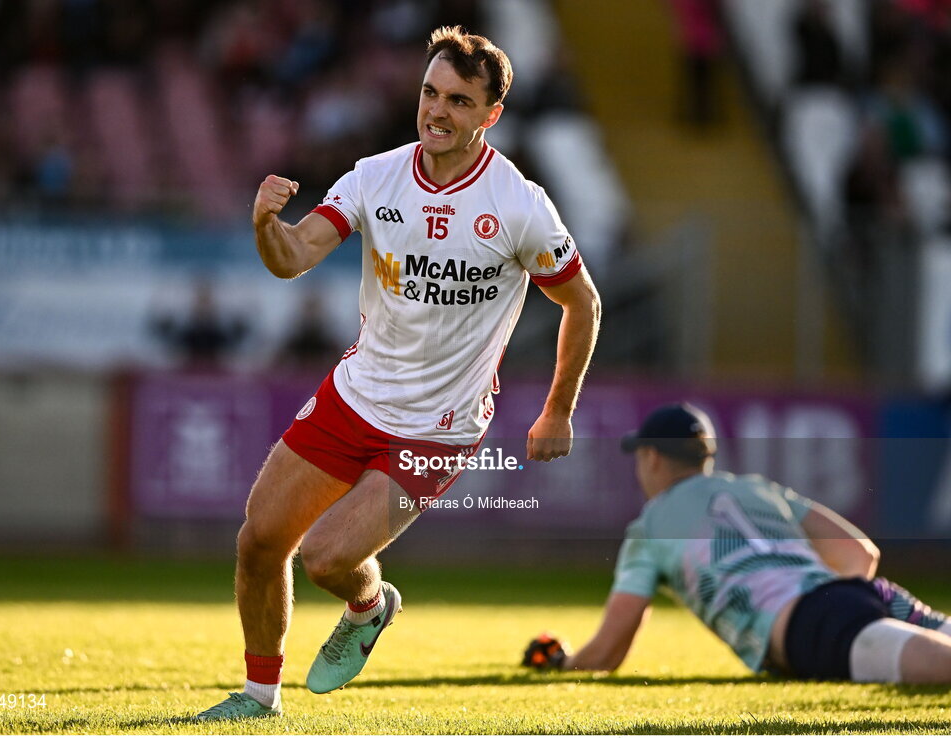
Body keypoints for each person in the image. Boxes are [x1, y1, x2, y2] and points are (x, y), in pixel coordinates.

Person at [196, 26, 602, 721]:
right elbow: (293, 258)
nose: (437, 111)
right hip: (355, 397)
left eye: (459, 101)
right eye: (429, 92)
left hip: (437, 428)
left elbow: (583, 303)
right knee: (260, 541)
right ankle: (259, 700)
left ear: (489, 116)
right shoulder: (374, 175)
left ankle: (369, 602)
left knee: (324, 558)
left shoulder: (519, 204)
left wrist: (559, 408)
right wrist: (267, 223)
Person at [522, 403, 951, 683]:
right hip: (861, 595)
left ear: (651, 457)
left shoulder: (650, 526)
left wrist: (563, 662)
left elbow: (608, 650)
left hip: (807, 623)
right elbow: (859, 553)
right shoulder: (756, 489)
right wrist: (840, 603)